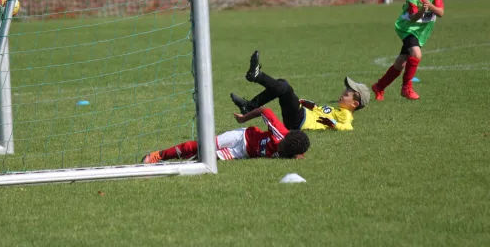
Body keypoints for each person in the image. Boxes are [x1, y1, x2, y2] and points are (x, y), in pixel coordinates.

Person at [230, 51, 370, 131]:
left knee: (284, 88)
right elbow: (321, 113)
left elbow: (348, 127)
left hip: (299, 120)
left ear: (354, 104)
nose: (342, 95)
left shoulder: (346, 115)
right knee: (282, 84)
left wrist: (334, 124)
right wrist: (312, 105)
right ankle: (248, 106)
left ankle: (257, 78)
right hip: (299, 116)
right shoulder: (339, 111)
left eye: (346, 95)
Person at [372, 0, 445, 100]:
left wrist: (430, 6)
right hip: (406, 28)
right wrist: (423, 10)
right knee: (416, 54)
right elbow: (412, 18)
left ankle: (379, 86)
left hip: (420, 32)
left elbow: (440, 12)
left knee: (400, 64)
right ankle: (406, 88)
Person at [141, 107, 310, 163]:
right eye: (280, 145)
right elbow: (265, 110)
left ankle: (177, 163)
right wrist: (244, 118)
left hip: (241, 153)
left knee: (205, 157)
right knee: (204, 144)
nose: (278, 148)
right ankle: (159, 155)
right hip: (242, 137)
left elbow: (299, 155)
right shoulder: (280, 132)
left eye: (282, 150)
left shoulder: (289, 151)